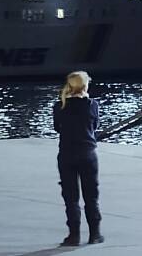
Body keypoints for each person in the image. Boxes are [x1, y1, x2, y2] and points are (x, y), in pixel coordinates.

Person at [53, 71, 104, 246]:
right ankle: (95, 234)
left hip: (66, 154)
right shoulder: (92, 105)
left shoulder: (59, 105)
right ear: (85, 86)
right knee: (91, 195)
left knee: (70, 196)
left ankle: (73, 235)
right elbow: (95, 125)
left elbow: (57, 128)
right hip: (88, 153)